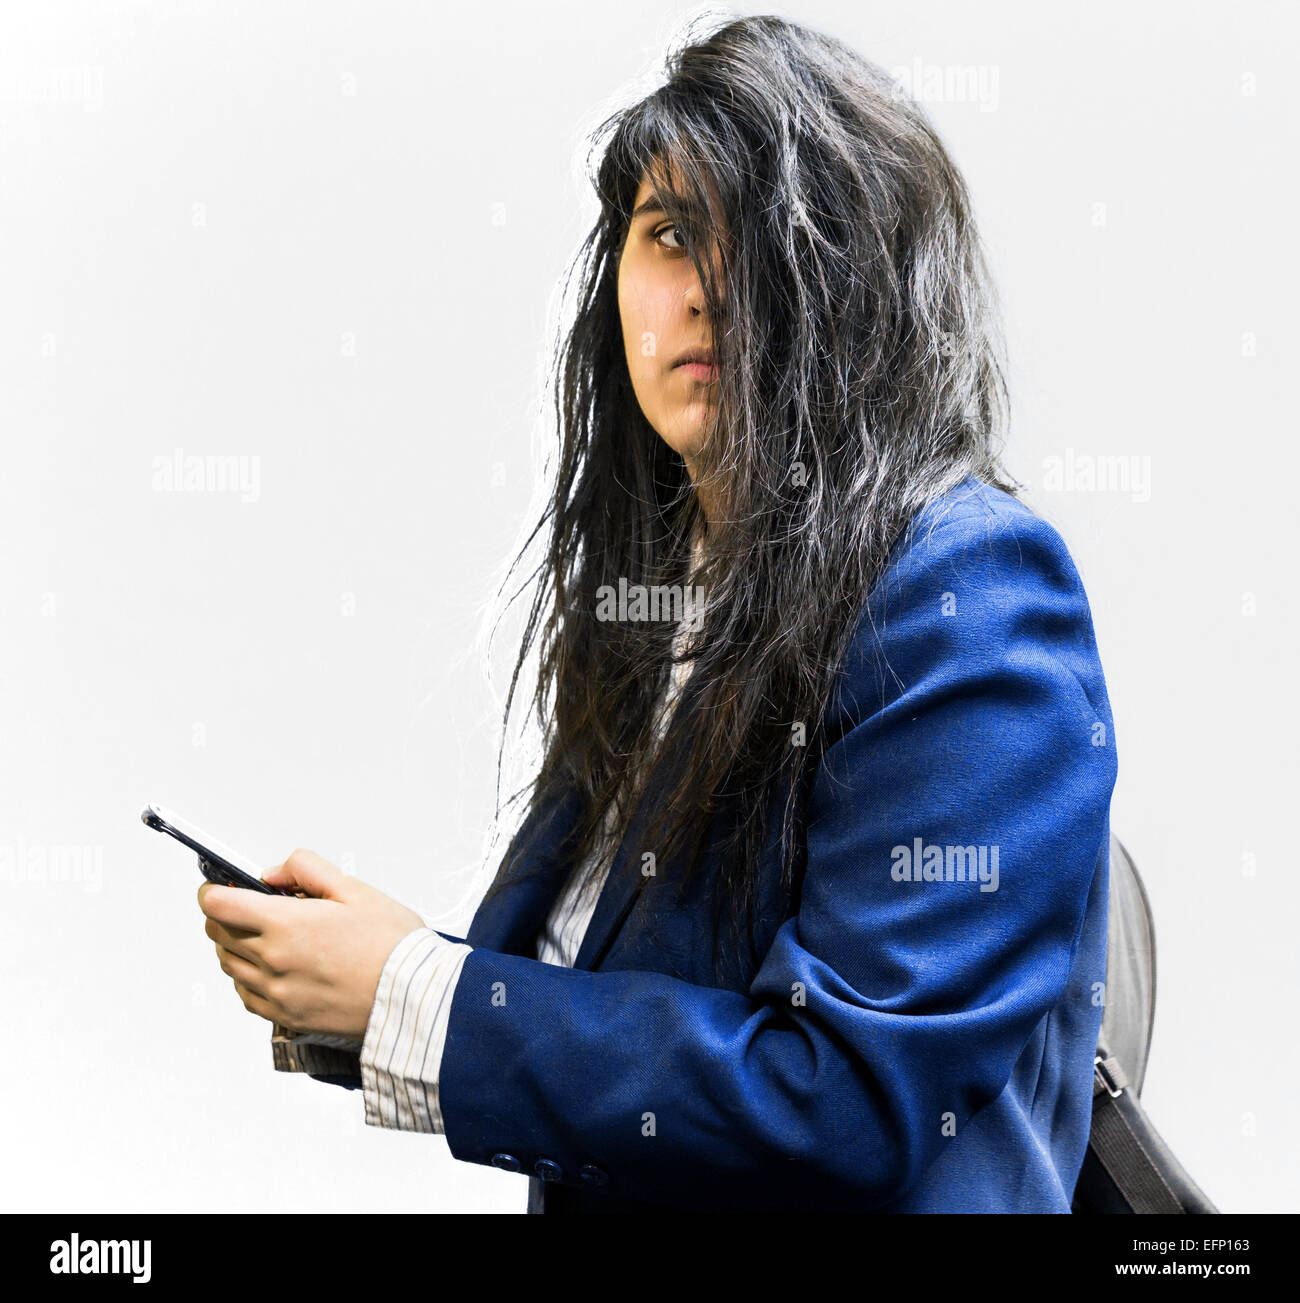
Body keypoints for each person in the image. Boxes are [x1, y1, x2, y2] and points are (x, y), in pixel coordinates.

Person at [198, 14, 1118, 1214]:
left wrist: (411, 994)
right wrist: (366, 975)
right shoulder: (665, 593)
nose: (705, 293)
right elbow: (601, 1005)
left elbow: (844, 1096)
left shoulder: (973, 592)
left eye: (771, 239)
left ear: (869, 286)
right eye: (670, 234)